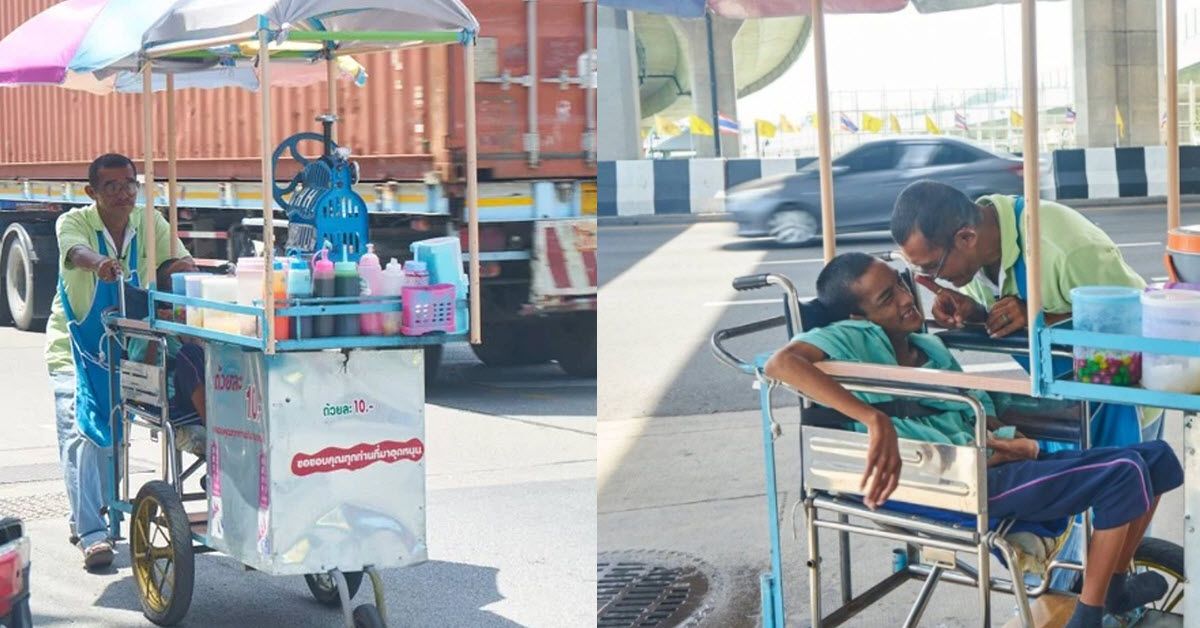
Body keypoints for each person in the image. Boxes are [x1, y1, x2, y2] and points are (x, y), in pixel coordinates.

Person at [763, 253, 1182, 628]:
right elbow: (781, 363)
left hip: (993, 457)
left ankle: (1115, 586)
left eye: (901, 284)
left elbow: (983, 409)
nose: (907, 299)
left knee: (1160, 458)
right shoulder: (849, 337)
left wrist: (1020, 437)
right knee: (1124, 474)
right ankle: (1087, 617)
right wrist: (874, 420)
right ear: (859, 317)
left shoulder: (928, 346)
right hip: (953, 480)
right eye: (887, 299)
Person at [889, 180, 1160, 447]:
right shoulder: (975, 255)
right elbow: (1006, 317)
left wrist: (1041, 318)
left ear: (966, 237)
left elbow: (1139, 320)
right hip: (1064, 405)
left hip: (1126, 401)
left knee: (1133, 483)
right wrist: (977, 313)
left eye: (933, 267)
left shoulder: (1064, 248)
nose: (937, 279)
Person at [45, 153, 191, 569]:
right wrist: (102, 264)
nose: (124, 192)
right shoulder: (73, 222)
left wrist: (186, 268)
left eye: (130, 183)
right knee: (82, 434)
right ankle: (91, 534)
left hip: (126, 347)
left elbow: (171, 261)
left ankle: (95, 512)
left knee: (113, 435)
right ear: (92, 192)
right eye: (112, 186)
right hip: (75, 347)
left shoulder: (150, 221)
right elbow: (74, 253)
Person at [126, 259, 207, 456]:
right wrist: (159, 332)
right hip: (171, 400)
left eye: (194, 269)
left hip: (215, 391)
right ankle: (214, 427)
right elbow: (139, 379)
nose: (192, 273)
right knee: (189, 354)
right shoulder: (148, 326)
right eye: (183, 272)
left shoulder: (208, 318)